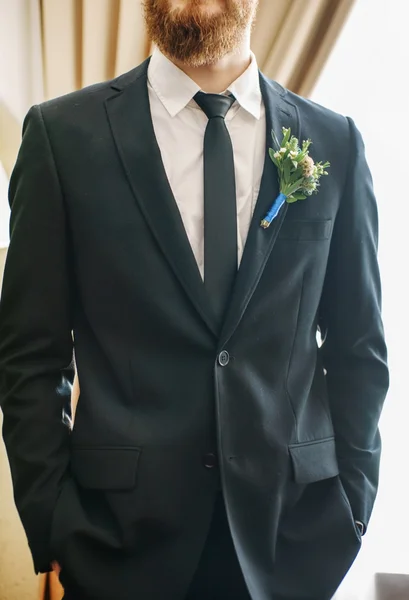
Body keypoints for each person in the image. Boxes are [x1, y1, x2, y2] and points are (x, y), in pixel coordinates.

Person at [0, 0, 389, 598]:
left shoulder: (335, 141)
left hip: (293, 542)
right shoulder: (61, 138)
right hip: (115, 547)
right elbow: (30, 355)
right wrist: (51, 519)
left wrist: (353, 507)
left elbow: (360, 347)